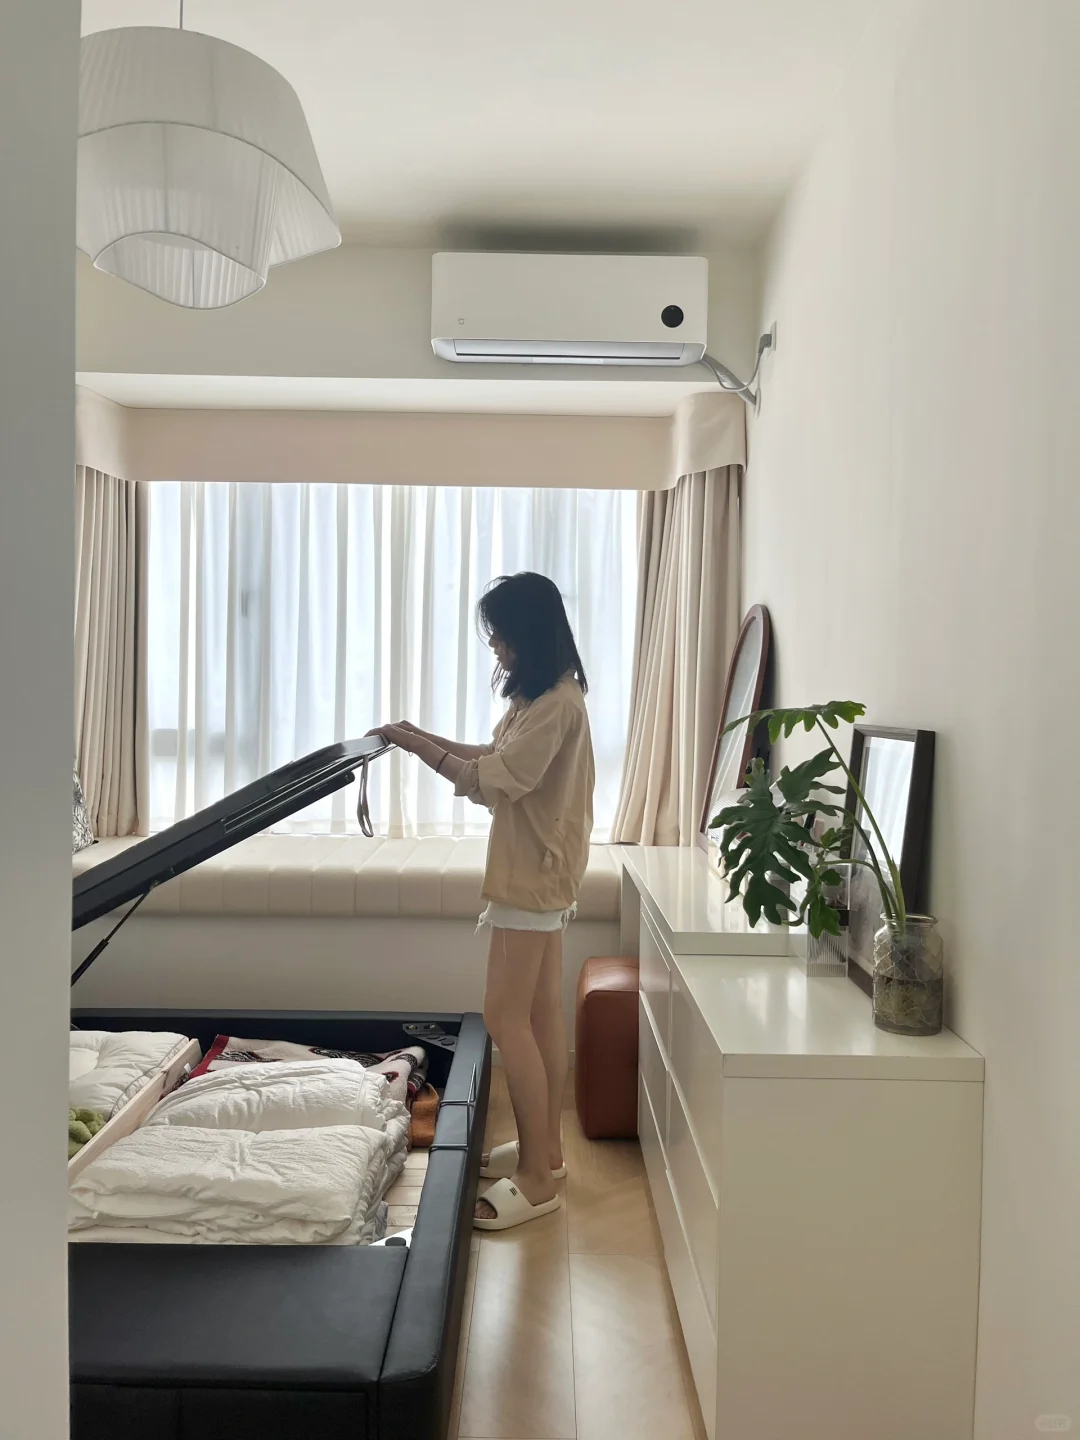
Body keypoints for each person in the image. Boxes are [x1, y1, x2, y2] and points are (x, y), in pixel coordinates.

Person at [370, 572, 594, 1231]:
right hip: (542, 871)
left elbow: (489, 781)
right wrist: (420, 734)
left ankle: (538, 1181)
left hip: (533, 874)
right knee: (539, 1013)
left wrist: (415, 746)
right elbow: (493, 756)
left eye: (500, 633)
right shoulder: (547, 696)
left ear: (528, 633)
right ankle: (546, 1153)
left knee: (505, 1015)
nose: (494, 644)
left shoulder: (556, 705)